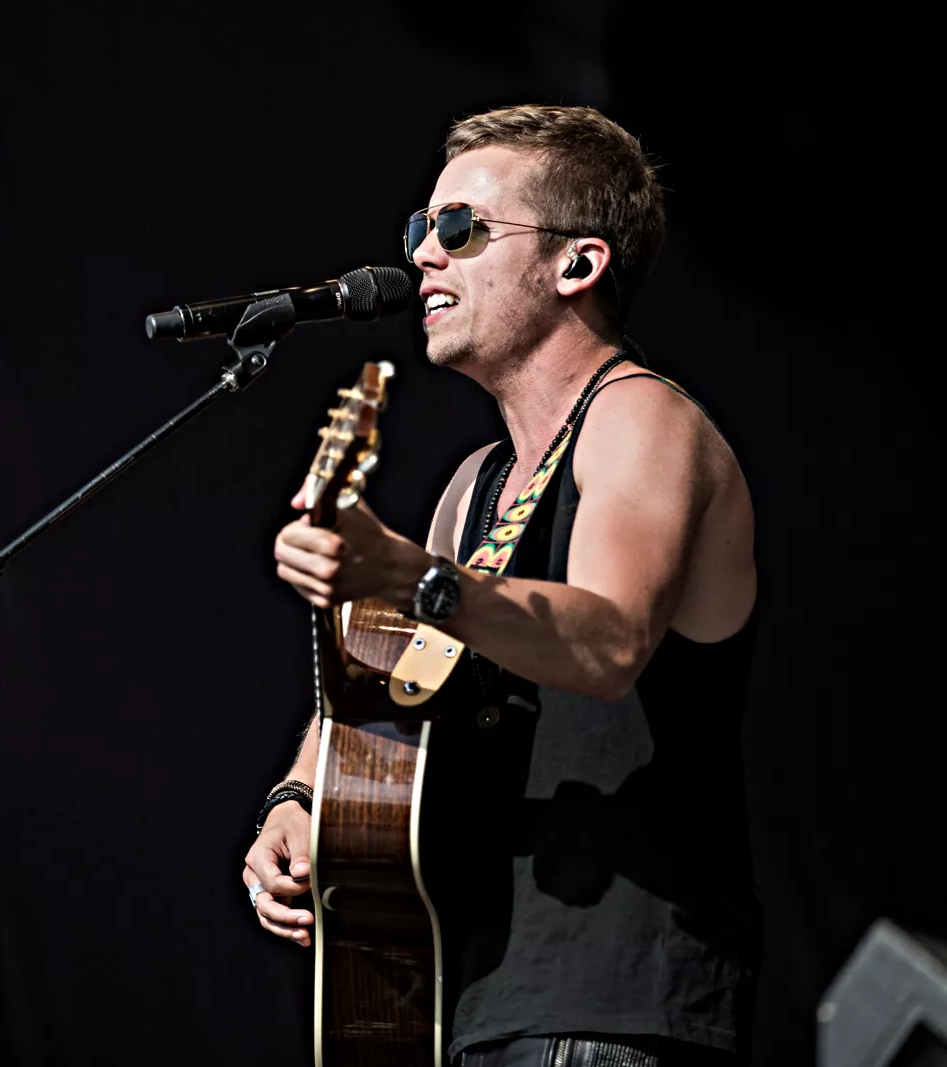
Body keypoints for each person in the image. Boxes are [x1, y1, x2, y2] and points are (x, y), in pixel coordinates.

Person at [242, 105, 760, 1065]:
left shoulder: (643, 419)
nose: (424, 258)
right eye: (419, 231)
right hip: (466, 989)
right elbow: (382, 689)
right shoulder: (474, 484)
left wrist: (409, 572)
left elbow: (608, 642)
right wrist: (297, 798)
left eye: (460, 229)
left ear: (577, 264)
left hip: (610, 1001)